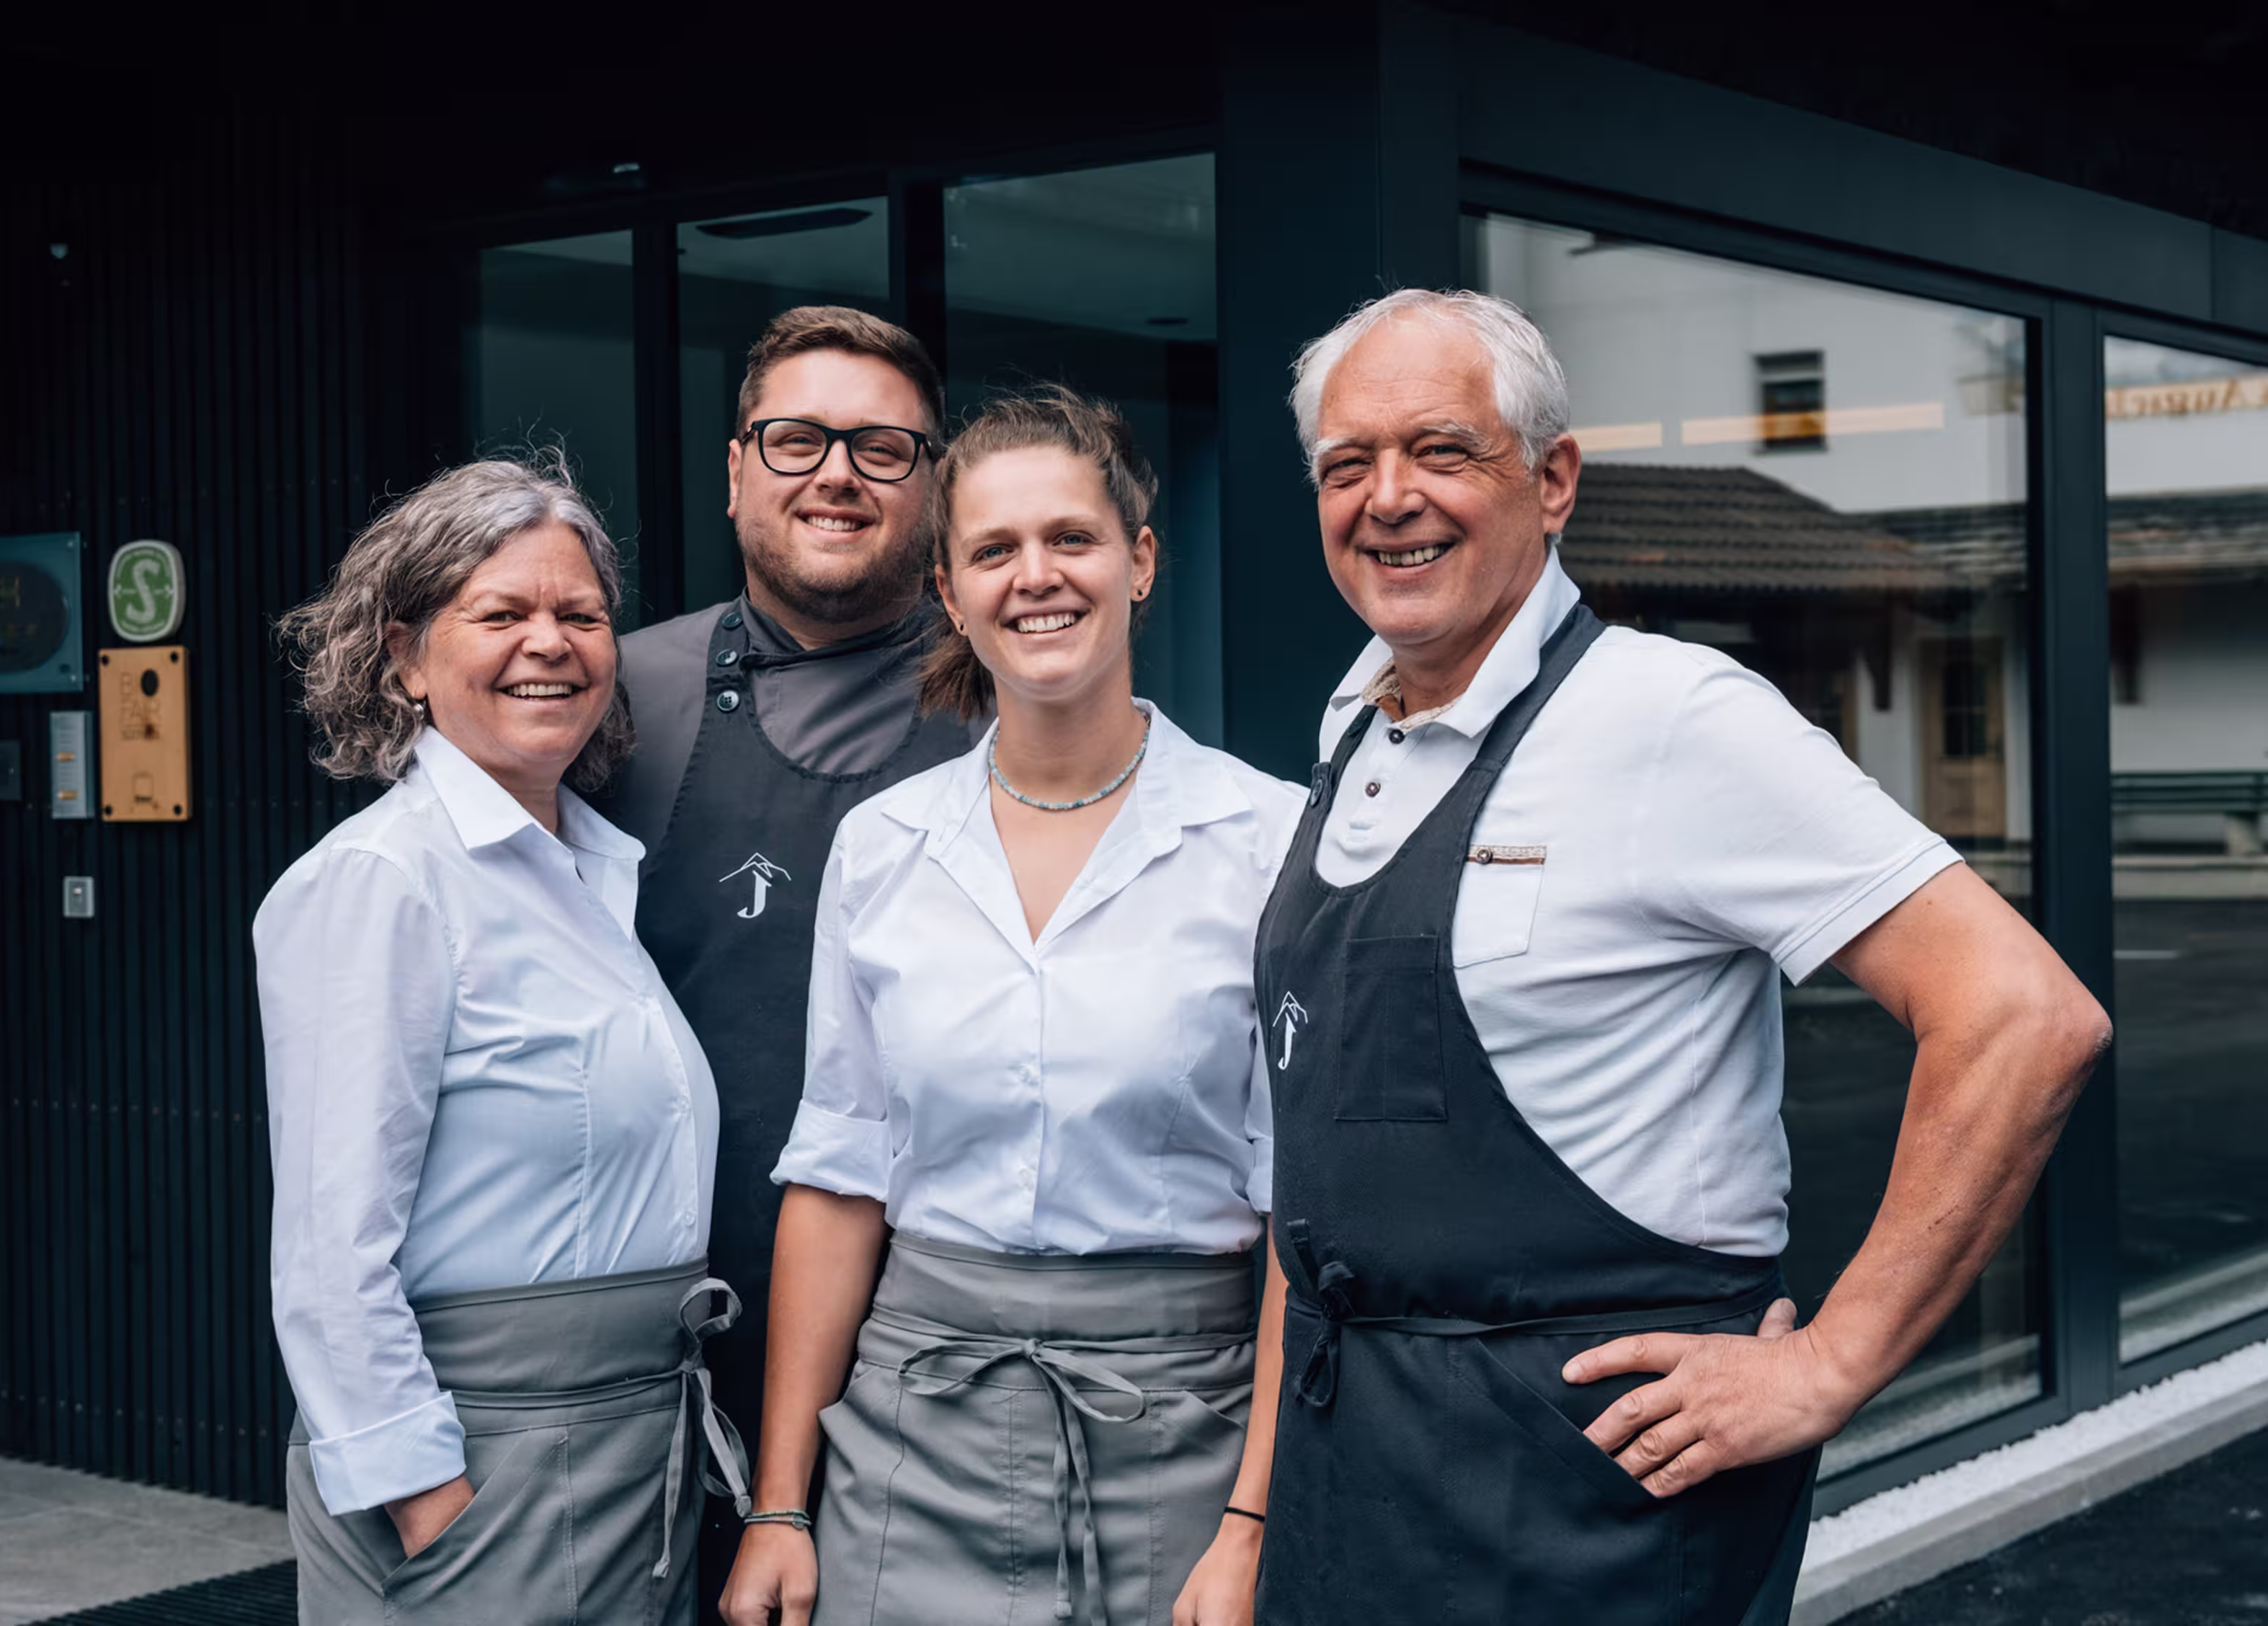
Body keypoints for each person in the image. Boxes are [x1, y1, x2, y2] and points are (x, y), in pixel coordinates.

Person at [1250, 292, 2112, 1625]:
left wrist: (1829, 1365)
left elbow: (2021, 1014)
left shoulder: (1670, 717)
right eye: (1347, 464)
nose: (1389, 497)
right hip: (1350, 1471)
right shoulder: (1352, 729)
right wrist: (1254, 1515)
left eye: (1442, 451)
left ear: (1553, 481)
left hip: (1589, 1493)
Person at [720, 387, 1298, 1626]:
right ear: (951, 589)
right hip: (912, 1430)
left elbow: (1306, 1211)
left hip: (1181, 1433)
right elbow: (837, 1178)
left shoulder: (1269, 839)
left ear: (1139, 560)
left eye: (1071, 539)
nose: (1036, 577)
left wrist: (1252, 1519)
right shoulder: (881, 845)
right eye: (994, 550)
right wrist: (780, 1504)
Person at [259, 456, 744, 1625]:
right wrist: (432, 1498)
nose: (552, 642)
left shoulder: (592, 868)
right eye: (502, 613)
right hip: (486, 1468)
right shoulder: (381, 883)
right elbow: (332, 1258)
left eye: (580, 614)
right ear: (407, 655)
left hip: (633, 1449)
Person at [596, 311, 979, 1604]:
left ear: (935, 482)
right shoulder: (613, 699)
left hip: (933, 1358)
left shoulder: (1021, 704)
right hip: (652, 1347)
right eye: (797, 437)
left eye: (882, 447)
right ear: (733, 470)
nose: (836, 473)